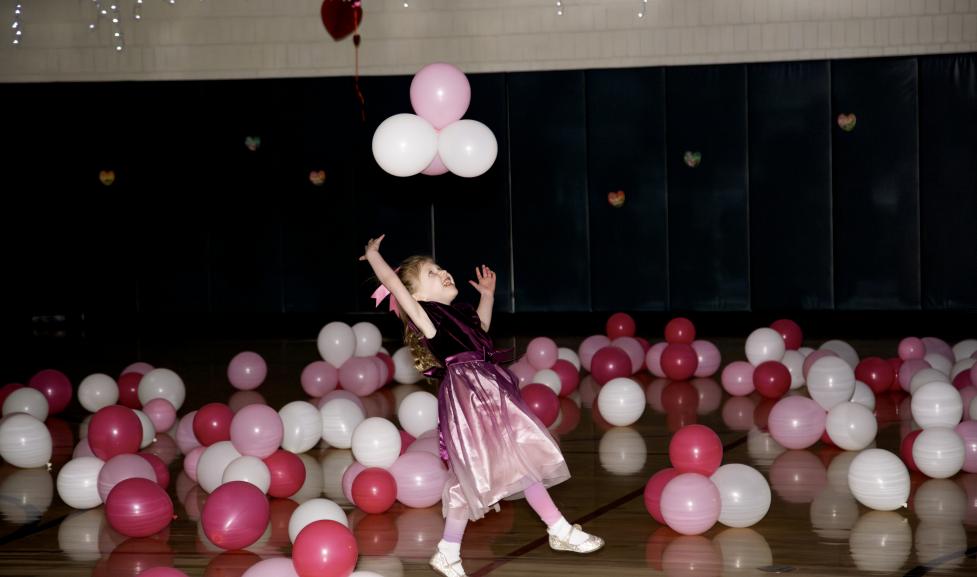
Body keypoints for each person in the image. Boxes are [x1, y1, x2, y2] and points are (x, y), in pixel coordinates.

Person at [360, 234, 603, 577]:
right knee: (479, 474)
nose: (443, 272)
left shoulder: (457, 313)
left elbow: (482, 331)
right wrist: (374, 256)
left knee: (519, 458)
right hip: (468, 395)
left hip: (488, 388)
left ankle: (543, 532)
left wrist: (486, 296)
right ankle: (552, 531)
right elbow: (391, 283)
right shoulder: (426, 317)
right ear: (415, 296)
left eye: (441, 268)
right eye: (432, 273)